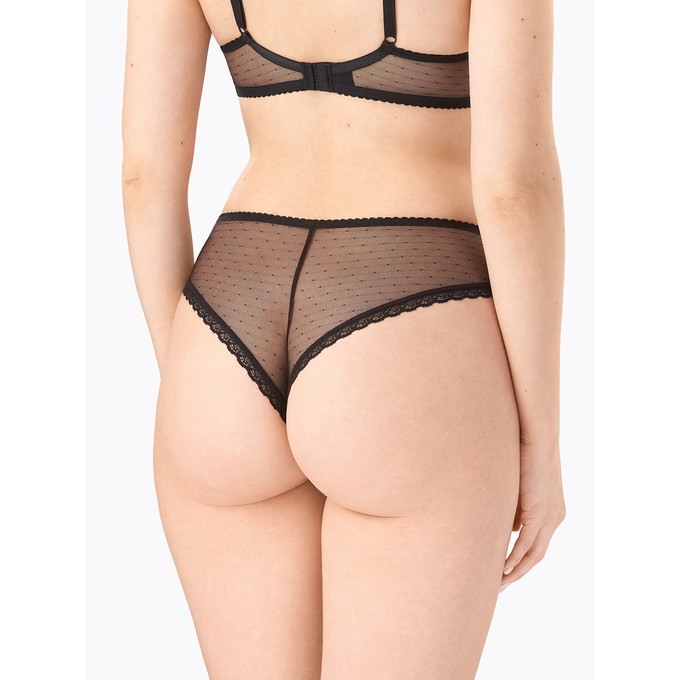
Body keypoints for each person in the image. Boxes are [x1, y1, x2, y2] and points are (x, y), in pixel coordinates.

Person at [121, 0, 567, 677]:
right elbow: (514, 191)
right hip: (406, 321)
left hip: (224, 324)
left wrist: (187, 383)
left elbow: (144, 177)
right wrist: (541, 437)